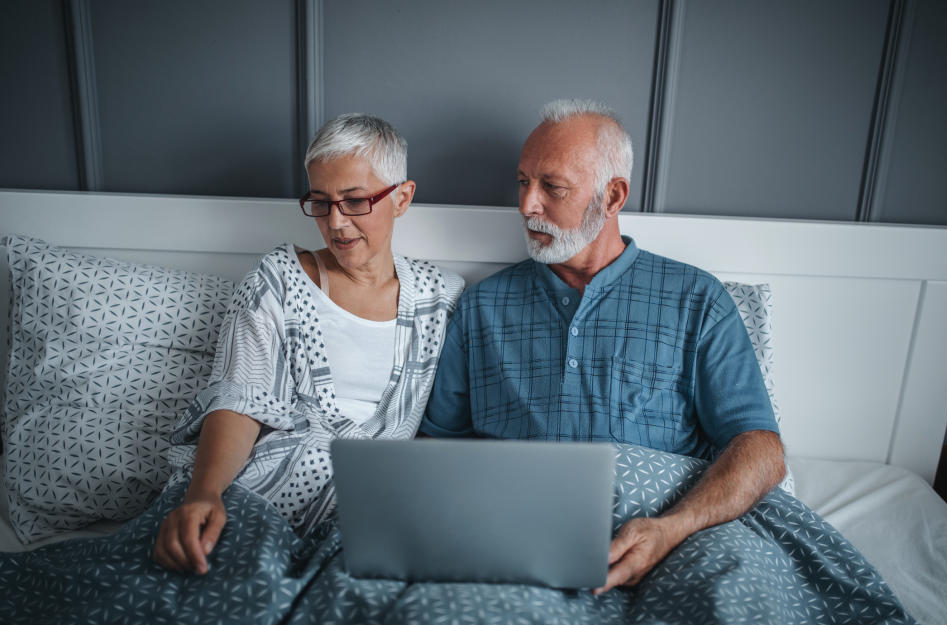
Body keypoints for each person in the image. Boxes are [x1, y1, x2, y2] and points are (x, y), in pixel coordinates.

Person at [419, 99, 785, 595]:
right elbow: (438, 450)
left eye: (552, 186)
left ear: (612, 197)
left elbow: (761, 449)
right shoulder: (483, 307)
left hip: (672, 544)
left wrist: (670, 530)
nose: (526, 204)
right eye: (523, 181)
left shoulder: (697, 300)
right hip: (514, 547)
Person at [154, 113, 464, 575]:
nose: (335, 223)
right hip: (258, 494)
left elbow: (455, 426)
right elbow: (241, 399)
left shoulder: (443, 299)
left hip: (369, 513)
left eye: (355, 201)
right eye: (320, 202)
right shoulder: (277, 280)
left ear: (402, 197)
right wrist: (205, 494)